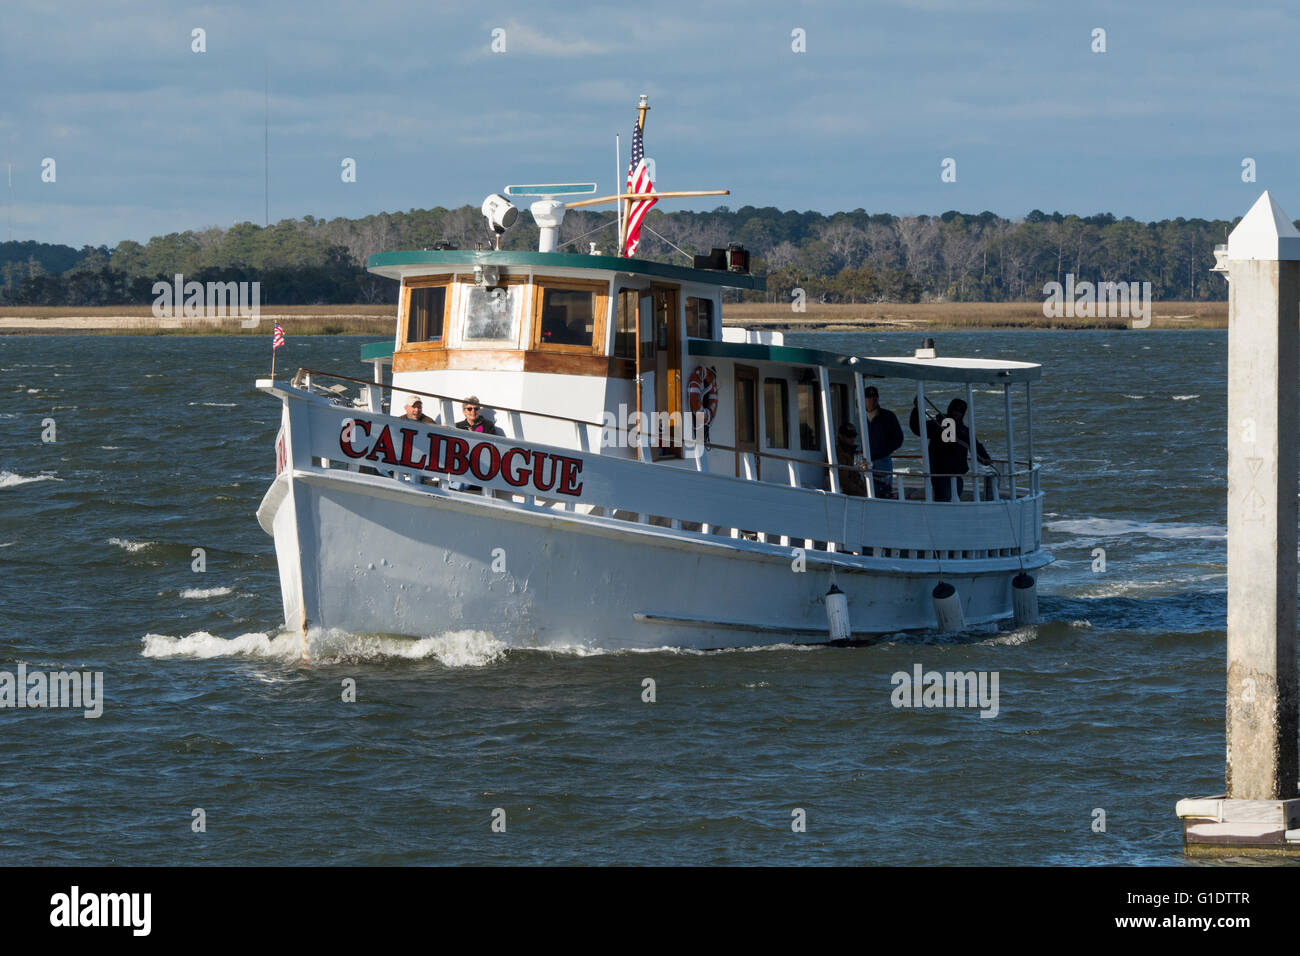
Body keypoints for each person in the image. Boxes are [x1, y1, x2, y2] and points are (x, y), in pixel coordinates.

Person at [908, 397, 991, 501]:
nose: (957, 413)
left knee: (955, 500)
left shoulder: (964, 430)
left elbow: (975, 446)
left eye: (960, 411)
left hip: (957, 474)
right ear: (950, 409)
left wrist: (985, 458)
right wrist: (916, 409)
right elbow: (917, 428)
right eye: (955, 410)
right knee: (943, 500)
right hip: (940, 474)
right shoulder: (937, 425)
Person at [863, 385, 904, 498]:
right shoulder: (859, 417)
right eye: (869, 397)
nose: (872, 400)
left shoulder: (888, 416)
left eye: (874, 397)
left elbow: (898, 439)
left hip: (883, 461)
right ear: (863, 399)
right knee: (863, 490)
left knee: (884, 491)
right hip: (863, 461)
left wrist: (884, 451)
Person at [834, 422, 868, 497]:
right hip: (847, 494)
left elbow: (856, 476)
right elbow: (844, 481)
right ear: (841, 436)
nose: (852, 438)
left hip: (855, 490)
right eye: (849, 436)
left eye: (854, 436)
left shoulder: (851, 452)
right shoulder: (839, 454)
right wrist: (863, 493)